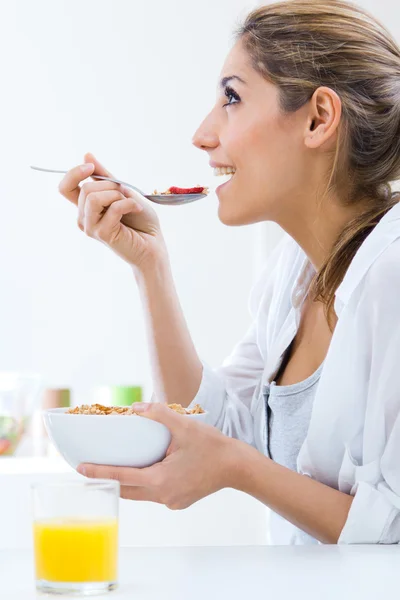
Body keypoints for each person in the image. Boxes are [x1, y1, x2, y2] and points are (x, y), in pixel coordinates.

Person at [59, 0, 400, 545]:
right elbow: (208, 423)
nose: (202, 134)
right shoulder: (291, 275)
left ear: (318, 118)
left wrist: (239, 469)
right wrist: (151, 265)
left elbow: (391, 532)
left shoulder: (392, 275)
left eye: (232, 98)